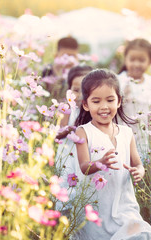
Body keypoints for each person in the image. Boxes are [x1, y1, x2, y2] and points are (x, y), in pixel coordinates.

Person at [74, 69, 151, 240]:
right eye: (96, 101)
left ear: (119, 101)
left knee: (136, 231)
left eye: (110, 100)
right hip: (97, 206)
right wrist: (99, 163)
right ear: (86, 104)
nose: (104, 107)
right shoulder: (83, 132)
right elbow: (83, 166)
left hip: (124, 203)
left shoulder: (126, 133)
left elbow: (138, 164)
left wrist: (139, 172)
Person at [54, 65, 93, 213]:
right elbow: (58, 132)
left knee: (82, 187)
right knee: (66, 184)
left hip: (83, 156)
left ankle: (80, 215)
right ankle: (63, 212)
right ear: (69, 90)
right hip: (67, 154)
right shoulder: (67, 108)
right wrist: (70, 129)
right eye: (76, 90)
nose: (80, 95)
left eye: (85, 91)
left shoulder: (92, 111)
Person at [118, 38, 151, 159]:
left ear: (150, 61)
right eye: (132, 59)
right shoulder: (119, 80)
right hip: (124, 131)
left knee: (145, 163)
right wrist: (123, 95)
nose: (136, 64)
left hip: (144, 133)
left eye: (141, 60)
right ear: (125, 59)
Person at [41, 36, 79, 101]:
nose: (69, 60)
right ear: (56, 56)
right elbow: (50, 94)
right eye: (65, 56)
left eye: (73, 56)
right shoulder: (48, 70)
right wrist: (57, 73)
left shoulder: (80, 72)